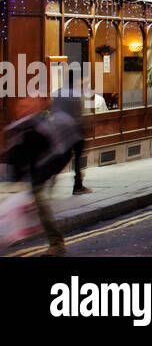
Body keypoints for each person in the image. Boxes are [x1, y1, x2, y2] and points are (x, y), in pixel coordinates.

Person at [3, 97, 78, 255]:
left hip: (43, 172)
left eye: (27, 106)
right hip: (32, 175)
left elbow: (58, 152)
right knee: (33, 206)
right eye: (21, 106)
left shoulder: (42, 126)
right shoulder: (23, 126)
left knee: (42, 207)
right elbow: (17, 154)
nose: (22, 109)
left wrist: (45, 175)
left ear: (36, 106)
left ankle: (56, 244)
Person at [51, 79, 90, 195]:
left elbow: (53, 110)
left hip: (60, 130)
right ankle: (78, 185)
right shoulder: (76, 94)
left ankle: (52, 174)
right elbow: (79, 113)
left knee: (65, 156)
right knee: (77, 159)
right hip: (75, 130)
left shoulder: (57, 93)